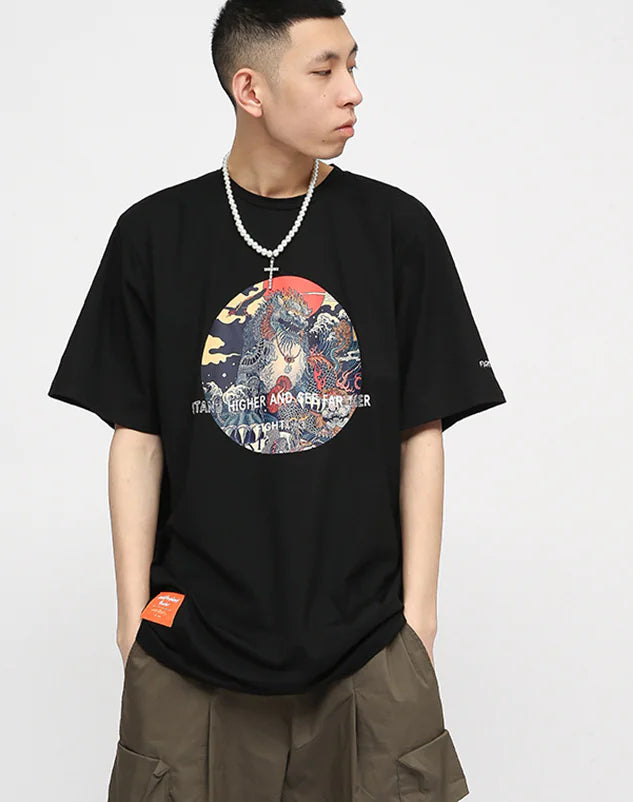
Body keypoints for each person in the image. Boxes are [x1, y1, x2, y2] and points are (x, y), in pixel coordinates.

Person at [47, 1, 506, 799]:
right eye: (324, 70)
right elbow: (137, 436)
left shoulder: (395, 229)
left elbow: (420, 430)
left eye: (352, 65)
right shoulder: (155, 234)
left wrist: (418, 619)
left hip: (366, 643)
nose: (352, 91)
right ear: (250, 89)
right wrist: (130, 620)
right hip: (191, 646)